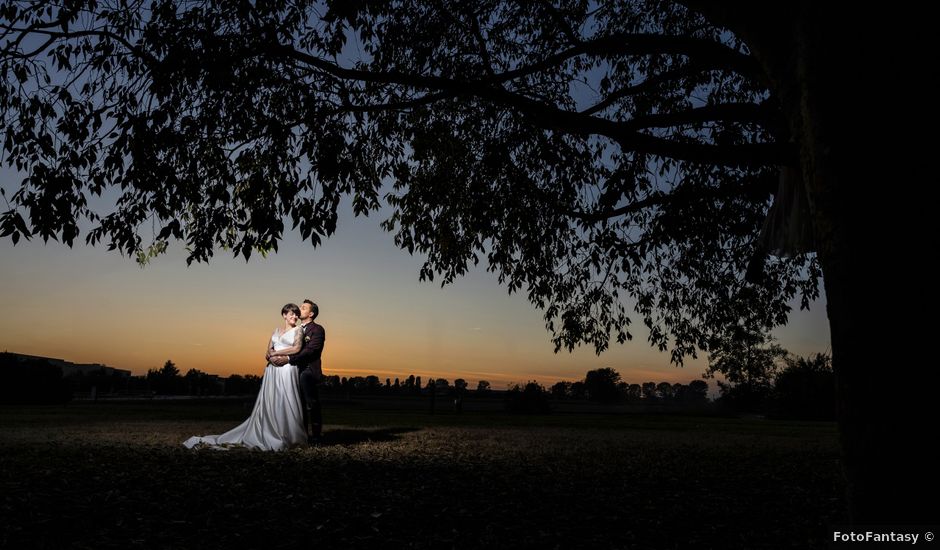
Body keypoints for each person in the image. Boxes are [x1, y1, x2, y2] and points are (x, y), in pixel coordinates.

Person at [183, 304, 306, 450]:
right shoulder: (276, 331)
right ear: (284, 315)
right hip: (272, 369)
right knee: (271, 398)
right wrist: (270, 356)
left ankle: (287, 433)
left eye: (297, 314)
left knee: (286, 397)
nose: (295, 317)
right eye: (292, 314)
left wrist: (277, 354)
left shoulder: (298, 330)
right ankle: (267, 429)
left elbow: (296, 348)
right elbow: (268, 350)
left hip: (286, 368)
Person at [270, 299, 325, 444]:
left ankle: (317, 436)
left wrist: (288, 358)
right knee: (297, 404)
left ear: (311, 313)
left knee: (311, 403)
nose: (300, 309)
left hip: (307, 370)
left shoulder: (317, 329)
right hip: (293, 370)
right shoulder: (295, 328)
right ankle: (301, 435)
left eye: (304, 307)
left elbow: (310, 351)